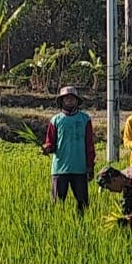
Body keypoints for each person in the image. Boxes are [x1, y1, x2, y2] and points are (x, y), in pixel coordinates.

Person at [41, 86, 96, 214]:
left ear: (77, 101)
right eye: (67, 98)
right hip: (60, 168)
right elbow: (51, 143)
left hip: (80, 168)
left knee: (82, 204)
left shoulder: (85, 119)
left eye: (72, 98)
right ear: (62, 101)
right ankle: (58, 227)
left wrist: (90, 166)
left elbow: (89, 145)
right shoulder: (55, 120)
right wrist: (47, 149)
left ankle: (82, 226)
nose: (70, 100)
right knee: (58, 204)